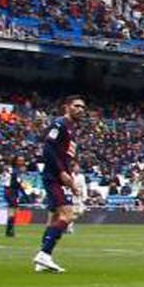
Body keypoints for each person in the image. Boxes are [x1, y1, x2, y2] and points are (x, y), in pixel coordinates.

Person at [33, 96, 86, 274]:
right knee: (68, 214)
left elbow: (65, 156)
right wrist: (61, 172)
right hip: (53, 176)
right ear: (67, 107)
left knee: (56, 217)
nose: (80, 109)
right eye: (76, 106)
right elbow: (48, 148)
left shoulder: (72, 129)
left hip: (59, 176)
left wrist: (70, 180)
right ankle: (44, 253)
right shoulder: (59, 124)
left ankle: (41, 261)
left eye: (82, 107)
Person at [2, 160, 26, 238]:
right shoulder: (15, 172)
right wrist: (24, 193)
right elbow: (18, 183)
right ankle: (9, 231)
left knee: (12, 210)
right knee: (13, 210)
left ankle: (9, 230)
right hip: (11, 191)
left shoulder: (11, 170)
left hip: (8, 191)